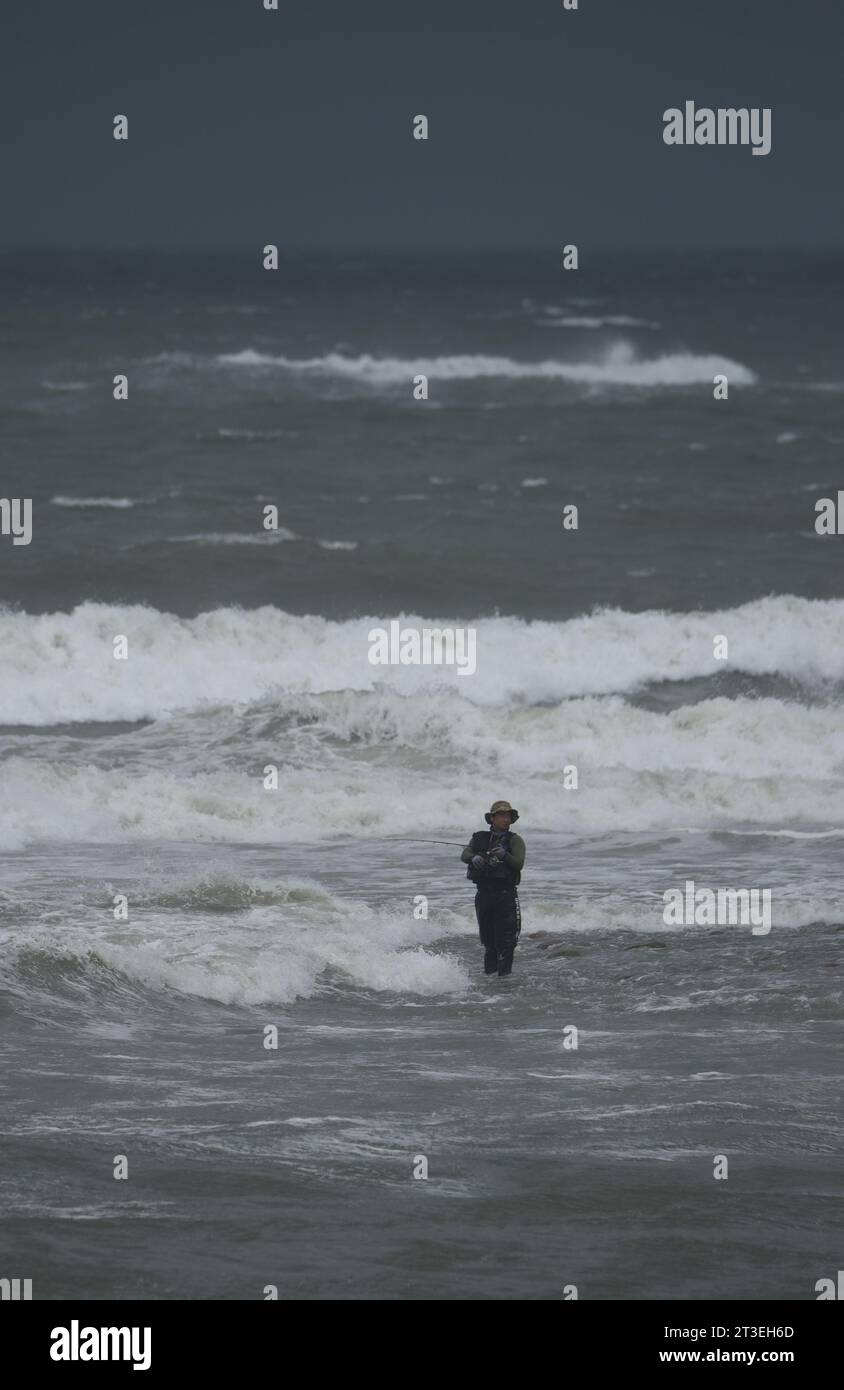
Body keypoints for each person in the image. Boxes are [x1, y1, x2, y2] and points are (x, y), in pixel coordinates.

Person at [460, 800, 525, 976]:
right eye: (502, 816)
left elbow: (519, 863)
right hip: (483, 896)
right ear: (492, 818)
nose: (505, 819)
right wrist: (474, 858)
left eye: (508, 816)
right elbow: (465, 854)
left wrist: (505, 855)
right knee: (488, 942)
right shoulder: (479, 838)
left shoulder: (515, 840)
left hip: (506, 896)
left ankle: (504, 980)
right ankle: (491, 979)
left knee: (506, 943)